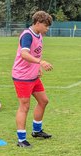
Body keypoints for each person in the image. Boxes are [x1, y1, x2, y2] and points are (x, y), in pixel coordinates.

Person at [12, 11, 54, 148]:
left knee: (43, 101)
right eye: (46, 26)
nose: (47, 28)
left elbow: (35, 52)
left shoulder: (39, 35)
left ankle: (37, 131)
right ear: (38, 23)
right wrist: (40, 62)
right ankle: (21, 139)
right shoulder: (27, 35)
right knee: (24, 106)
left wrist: (37, 67)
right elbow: (24, 54)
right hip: (22, 77)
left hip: (33, 76)